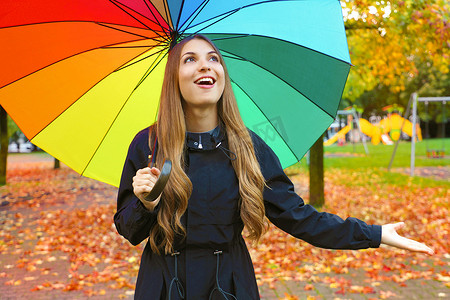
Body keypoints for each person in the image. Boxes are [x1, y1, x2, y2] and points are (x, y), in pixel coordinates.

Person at [114, 35, 433, 300]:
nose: (205, 66)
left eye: (213, 59)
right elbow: (128, 230)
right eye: (190, 59)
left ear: (223, 74)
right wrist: (146, 205)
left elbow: (300, 217)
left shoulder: (248, 146)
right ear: (173, 78)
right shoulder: (149, 145)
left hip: (230, 285)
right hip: (164, 285)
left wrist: (374, 233)